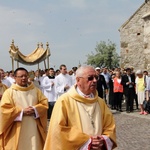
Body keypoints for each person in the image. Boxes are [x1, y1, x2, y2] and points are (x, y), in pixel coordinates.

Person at [44, 65, 117, 150]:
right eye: (90, 78)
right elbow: (58, 130)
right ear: (78, 80)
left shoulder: (100, 102)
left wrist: (103, 139)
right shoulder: (64, 101)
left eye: (96, 77)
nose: (94, 81)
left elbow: (109, 126)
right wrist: (86, 141)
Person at [0, 67, 48, 150]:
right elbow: (5, 110)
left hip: (34, 127)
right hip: (16, 128)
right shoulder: (9, 92)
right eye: (21, 76)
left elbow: (44, 104)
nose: (24, 78)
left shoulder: (35, 90)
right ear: (15, 78)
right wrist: (21, 112)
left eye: (26, 76)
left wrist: (35, 109)